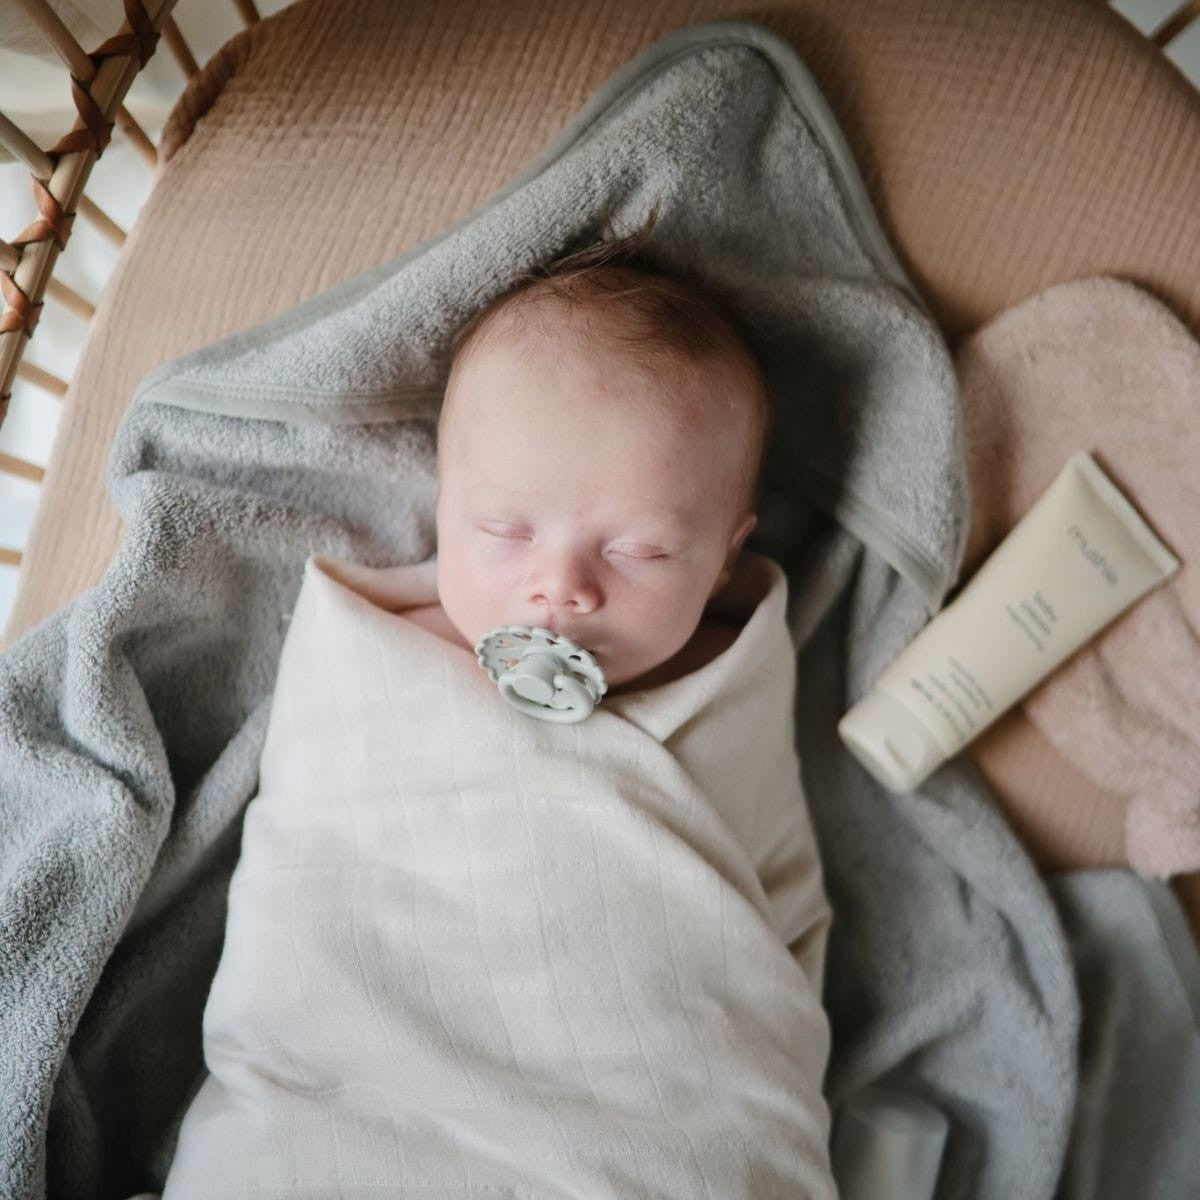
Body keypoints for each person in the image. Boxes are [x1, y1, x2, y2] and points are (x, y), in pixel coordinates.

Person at [161, 215, 837, 1197]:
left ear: (727, 553)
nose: (560, 589)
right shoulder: (371, 658)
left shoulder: (734, 680)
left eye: (640, 549)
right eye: (504, 530)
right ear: (443, 510)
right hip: (344, 1110)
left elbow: (770, 916)